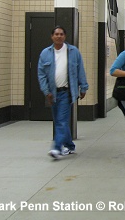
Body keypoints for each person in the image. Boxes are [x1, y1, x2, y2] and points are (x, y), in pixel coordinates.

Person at [38, 26, 89, 160]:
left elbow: (80, 71)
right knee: (60, 121)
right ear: (52, 36)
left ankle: (56, 148)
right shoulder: (45, 53)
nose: (59, 36)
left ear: (64, 37)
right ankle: (69, 145)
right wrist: (46, 91)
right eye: (56, 34)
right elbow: (41, 74)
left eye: (61, 34)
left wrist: (83, 87)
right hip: (52, 93)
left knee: (61, 120)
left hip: (66, 92)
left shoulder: (73, 52)